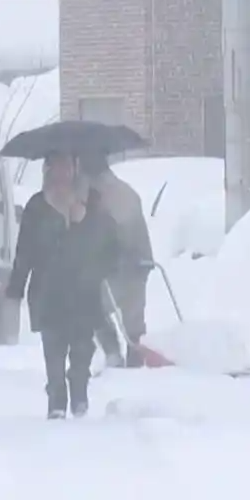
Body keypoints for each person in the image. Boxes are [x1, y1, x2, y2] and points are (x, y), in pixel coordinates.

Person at [5, 151, 120, 419]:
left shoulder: (92, 201)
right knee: (54, 350)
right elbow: (25, 251)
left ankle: (79, 393)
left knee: (82, 349)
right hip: (48, 291)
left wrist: (83, 223)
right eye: (54, 167)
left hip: (84, 290)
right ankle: (56, 401)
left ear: (75, 169)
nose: (60, 173)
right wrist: (15, 287)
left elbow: (109, 244)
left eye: (65, 166)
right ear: (46, 171)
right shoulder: (37, 206)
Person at [79, 154, 154, 368]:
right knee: (134, 318)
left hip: (118, 266)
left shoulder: (100, 196)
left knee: (93, 308)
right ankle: (135, 359)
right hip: (140, 263)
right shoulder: (127, 191)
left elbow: (107, 234)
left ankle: (113, 353)